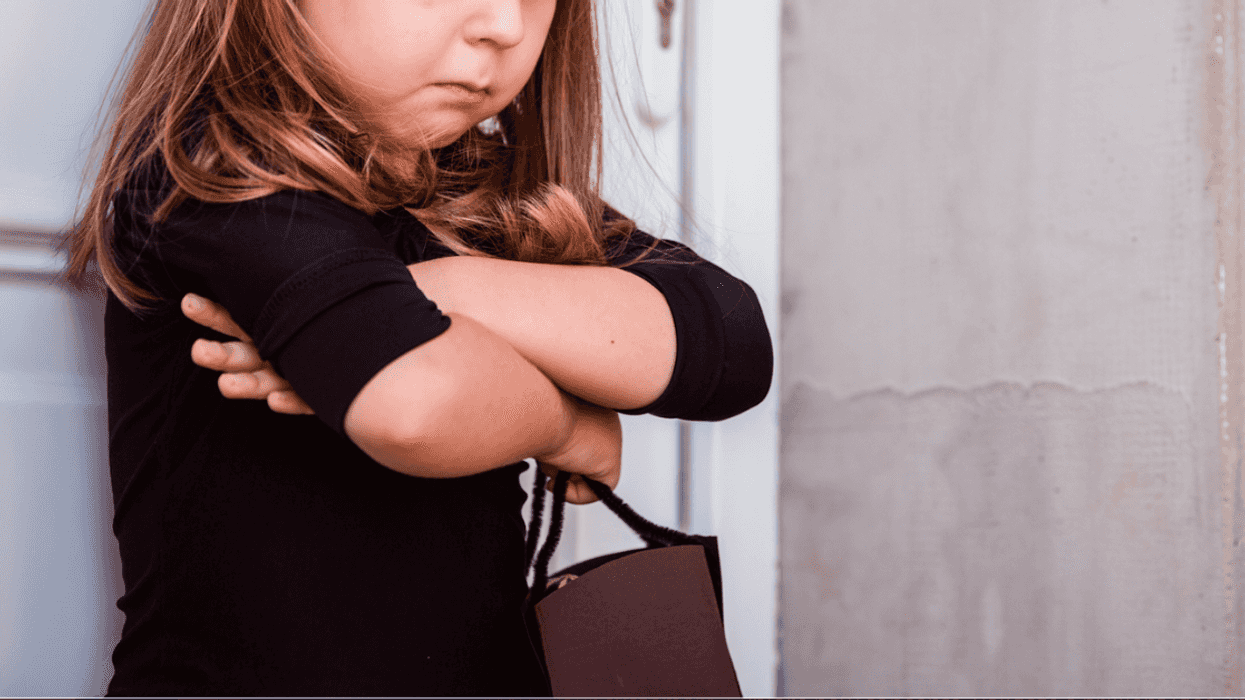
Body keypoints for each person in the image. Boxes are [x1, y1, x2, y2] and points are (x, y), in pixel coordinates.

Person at [60, 0, 773, 696]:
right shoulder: (212, 172)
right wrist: (566, 425)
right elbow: (413, 402)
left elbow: (732, 340)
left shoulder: (490, 195)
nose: (503, 24)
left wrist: (440, 288)